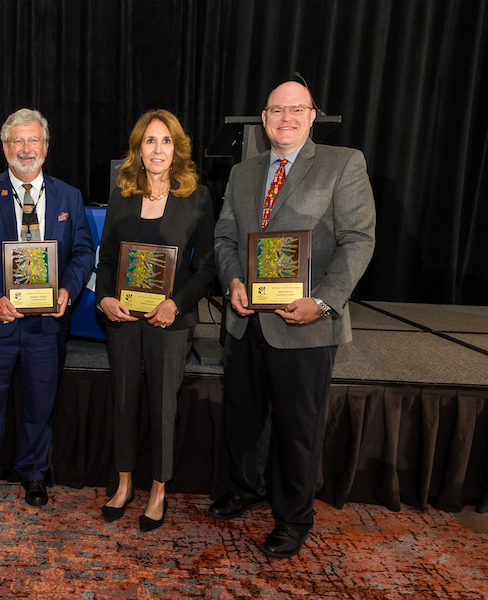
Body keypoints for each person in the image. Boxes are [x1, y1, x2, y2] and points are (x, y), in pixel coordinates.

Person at [211, 81, 376, 557]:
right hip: (245, 320)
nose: (286, 118)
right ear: (264, 119)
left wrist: (323, 302)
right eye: (277, 110)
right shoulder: (243, 173)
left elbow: (359, 241)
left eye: (296, 109)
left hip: (305, 324)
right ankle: (246, 488)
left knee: (296, 427)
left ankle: (293, 517)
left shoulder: (342, 163)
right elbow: (225, 238)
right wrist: (233, 283)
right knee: (244, 418)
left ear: (312, 115)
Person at [0, 108, 94, 509]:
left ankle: (33, 473)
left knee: (39, 404)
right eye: (17, 140)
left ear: (46, 147)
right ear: (4, 148)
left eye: (33, 140)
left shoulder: (70, 196)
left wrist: (67, 290)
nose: (26, 148)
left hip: (47, 327)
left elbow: (84, 249)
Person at [95, 109, 216, 531]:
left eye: (166, 141)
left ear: (176, 148)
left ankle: (159, 489)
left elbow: (207, 268)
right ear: (138, 150)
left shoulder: (196, 196)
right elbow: (108, 259)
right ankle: (125, 482)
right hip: (124, 319)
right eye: (150, 141)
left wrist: (177, 304)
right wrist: (105, 298)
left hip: (170, 323)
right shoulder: (122, 194)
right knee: (125, 400)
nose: (158, 149)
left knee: (164, 405)